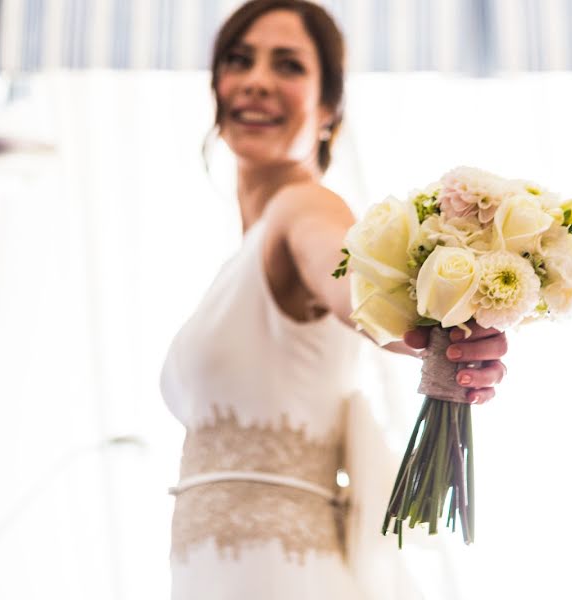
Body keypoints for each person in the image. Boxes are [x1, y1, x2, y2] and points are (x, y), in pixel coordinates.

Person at [158, 1, 509, 598]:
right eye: (239, 60)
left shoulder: (307, 210)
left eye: (289, 65)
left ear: (328, 110)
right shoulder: (239, 260)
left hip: (278, 578)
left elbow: (360, 295)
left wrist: (441, 327)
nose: (258, 80)